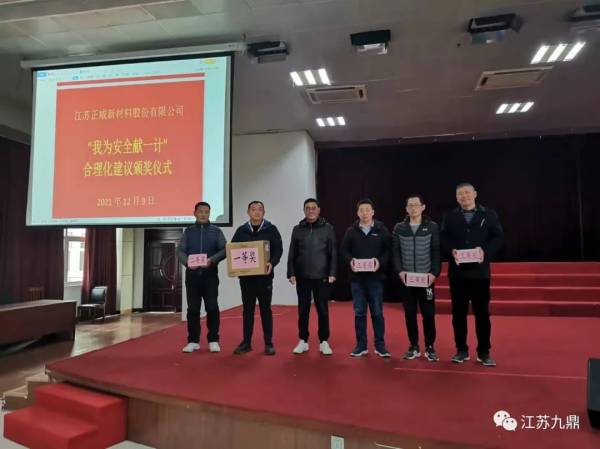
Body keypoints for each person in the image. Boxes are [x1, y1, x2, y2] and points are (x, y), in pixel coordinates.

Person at [441, 183, 504, 367]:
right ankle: (461, 350)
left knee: (482, 313)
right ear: (456, 197)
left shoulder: (489, 214)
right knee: (458, 314)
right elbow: (443, 238)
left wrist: (486, 252)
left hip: (480, 273)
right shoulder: (450, 216)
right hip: (457, 273)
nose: (464, 196)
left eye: (467, 192)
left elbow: (498, 237)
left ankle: (484, 352)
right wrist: (451, 251)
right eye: (460, 194)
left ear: (475, 194)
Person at [392, 195, 441, 362]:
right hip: (407, 280)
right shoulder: (399, 228)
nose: (413, 208)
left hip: (426, 280)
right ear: (406, 208)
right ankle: (413, 346)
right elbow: (395, 252)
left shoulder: (432, 227)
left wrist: (434, 273)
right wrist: (400, 271)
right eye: (410, 205)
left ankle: (430, 346)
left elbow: (436, 251)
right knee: (410, 313)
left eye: (416, 205)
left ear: (423, 207)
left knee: (428, 314)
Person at [341, 199, 392, 358]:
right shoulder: (351, 231)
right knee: (359, 313)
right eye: (361, 210)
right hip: (357, 279)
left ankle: (380, 345)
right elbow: (344, 251)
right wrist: (351, 261)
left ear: (373, 212)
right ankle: (361, 345)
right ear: (357, 213)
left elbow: (388, 251)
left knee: (377, 312)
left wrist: (380, 262)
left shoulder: (382, 230)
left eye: (367, 210)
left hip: (375, 278)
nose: (364, 213)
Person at [231, 201, 283, 356]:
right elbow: (233, 250)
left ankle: (268, 343)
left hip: (264, 278)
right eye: (253, 209)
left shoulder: (271, 229)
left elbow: (278, 250)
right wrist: (236, 268)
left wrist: (272, 263)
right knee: (247, 310)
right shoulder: (241, 231)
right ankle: (246, 342)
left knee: (265, 309)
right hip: (246, 279)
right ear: (248, 212)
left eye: (260, 209)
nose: (256, 212)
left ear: (264, 212)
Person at [287, 198, 336, 355]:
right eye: (307, 208)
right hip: (302, 276)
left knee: (323, 310)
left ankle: (324, 341)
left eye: (313, 208)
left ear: (319, 210)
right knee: (303, 310)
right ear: (304, 211)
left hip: (322, 276)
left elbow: (333, 252)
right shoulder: (297, 229)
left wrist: (332, 272)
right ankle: (303, 340)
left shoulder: (328, 228)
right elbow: (292, 252)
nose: (311, 210)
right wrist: (291, 272)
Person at [177, 201, 226, 353]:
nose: (203, 214)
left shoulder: (216, 231)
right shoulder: (188, 232)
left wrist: (212, 260)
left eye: (206, 212)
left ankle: (213, 340)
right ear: (195, 213)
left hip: (210, 276)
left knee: (212, 307)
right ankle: (193, 341)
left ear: (209, 214)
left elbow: (225, 250)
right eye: (201, 212)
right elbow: (180, 251)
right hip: (192, 276)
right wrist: (187, 263)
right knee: (193, 309)